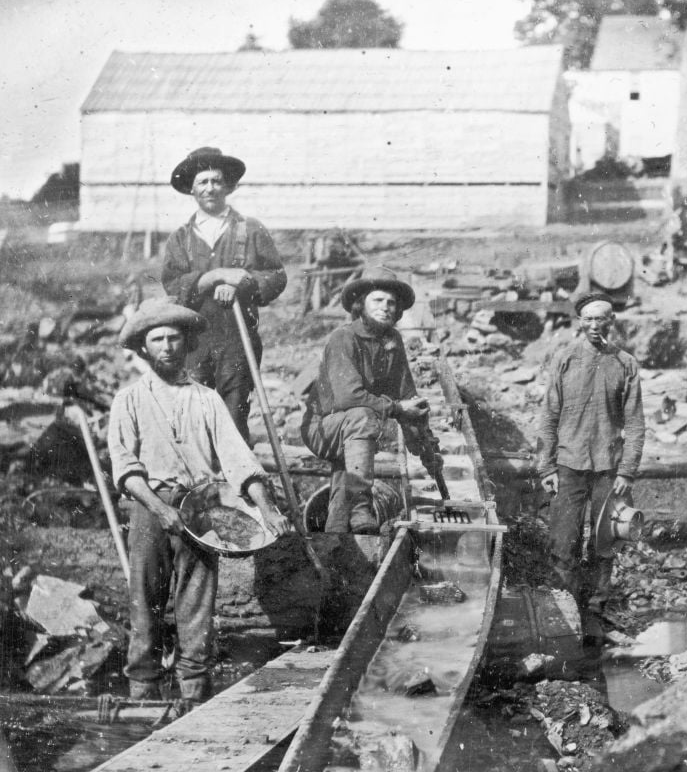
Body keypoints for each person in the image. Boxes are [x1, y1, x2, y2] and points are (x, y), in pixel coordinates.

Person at [107, 298, 292, 702]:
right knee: (146, 604)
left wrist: (267, 508)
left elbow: (238, 459)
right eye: (157, 340)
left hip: (200, 512)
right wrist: (160, 510)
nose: (167, 347)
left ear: (187, 344)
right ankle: (143, 694)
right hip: (150, 506)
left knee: (197, 608)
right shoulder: (129, 400)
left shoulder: (206, 400)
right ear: (144, 348)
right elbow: (124, 465)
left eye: (175, 338)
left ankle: (195, 697)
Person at [301, 267, 440, 534]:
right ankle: (361, 507)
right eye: (377, 301)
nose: (385, 307)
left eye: (391, 303)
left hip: (353, 428)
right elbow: (348, 397)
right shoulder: (344, 338)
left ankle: (336, 537)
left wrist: (425, 446)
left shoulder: (393, 340)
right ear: (360, 304)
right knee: (363, 417)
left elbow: (407, 395)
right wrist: (397, 408)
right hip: (322, 426)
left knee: (348, 473)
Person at [162, 147, 287, 444]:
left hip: (237, 339)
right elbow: (172, 284)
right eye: (202, 182)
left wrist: (242, 283)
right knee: (194, 415)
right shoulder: (180, 238)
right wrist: (214, 277)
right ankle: (202, 487)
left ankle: (237, 484)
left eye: (216, 181)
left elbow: (276, 276)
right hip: (194, 341)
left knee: (233, 416)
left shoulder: (250, 229)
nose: (210, 188)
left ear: (228, 187)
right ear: (191, 189)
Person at [538, 292, 645, 613]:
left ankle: (597, 604)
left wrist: (627, 471)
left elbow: (636, 423)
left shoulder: (625, 364)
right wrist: (547, 469)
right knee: (563, 540)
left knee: (605, 540)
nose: (595, 325)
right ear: (579, 322)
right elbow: (549, 417)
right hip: (569, 465)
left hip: (608, 470)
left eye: (602, 318)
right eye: (589, 319)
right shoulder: (564, 359)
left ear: (612, 321)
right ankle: (567, 608)